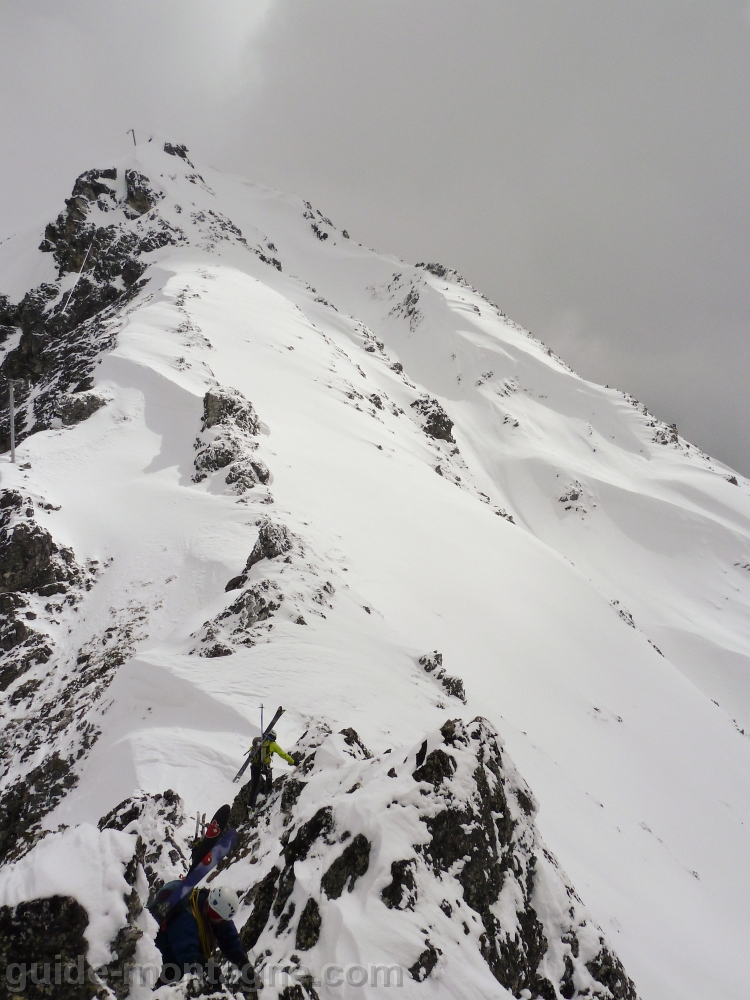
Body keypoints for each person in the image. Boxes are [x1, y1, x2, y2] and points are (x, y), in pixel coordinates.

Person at [155, 884, 256, 992]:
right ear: (208, 901)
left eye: (218, 916)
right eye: (213, 912)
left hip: (179, 965)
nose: (214, 917)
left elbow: (229, 941)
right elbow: (186, 952)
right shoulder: (186, 917)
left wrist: (243, 963)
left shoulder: (218, 914)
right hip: (164, 962)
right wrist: (207, 967)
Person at [246, 730, 295, 808]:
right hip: (264, 766)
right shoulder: (272, 744)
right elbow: (283, 754)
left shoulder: (258, 741)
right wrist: (293, 762)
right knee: (269, 779)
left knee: (254, 786)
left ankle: (250, 807)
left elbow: (252, 752)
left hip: (254, 766)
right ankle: (268, 796)